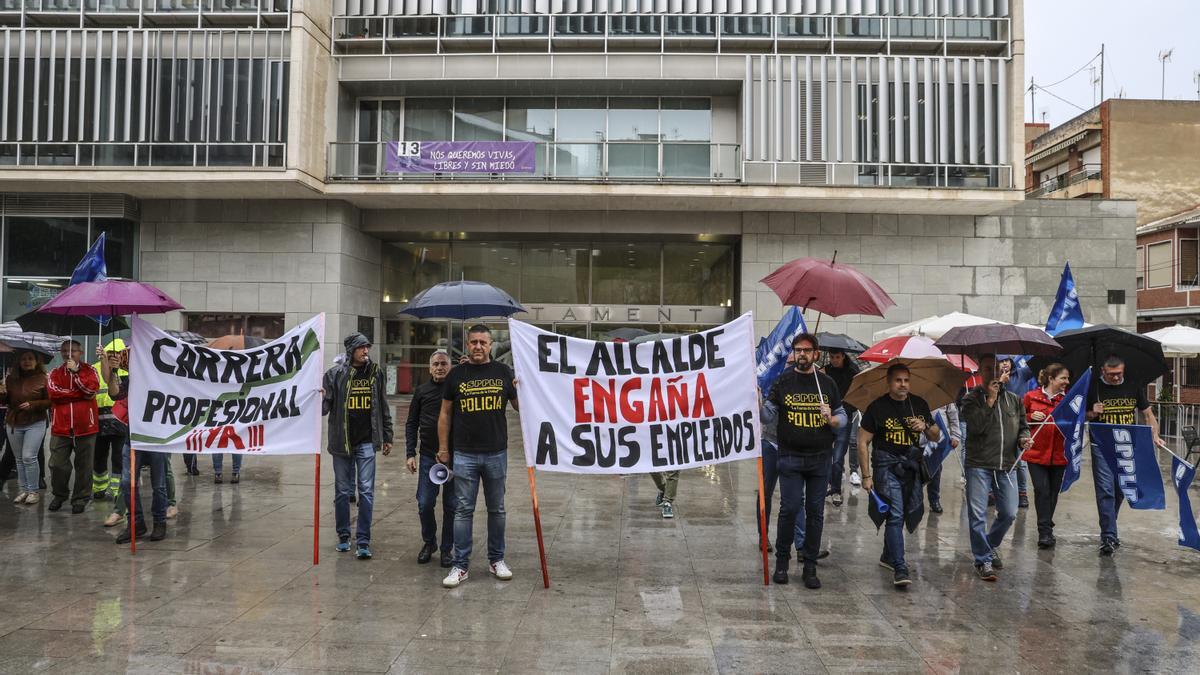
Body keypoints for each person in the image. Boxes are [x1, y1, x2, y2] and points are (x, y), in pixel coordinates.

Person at [439, 324, 518, 589]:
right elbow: (445, 414)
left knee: (497, 509)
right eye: (473, 342)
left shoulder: (503, 372)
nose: (478, 347)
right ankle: (460, 565)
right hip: (464, 454)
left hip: (497, 452)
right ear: (468, 344)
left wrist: (524, 387)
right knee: (463, 510)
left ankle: (497, 560)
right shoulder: (456, 374)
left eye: (483, 343)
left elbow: (520, 406)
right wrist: (443, 449)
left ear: (491, 345)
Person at [767, 333, 845, 589]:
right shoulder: (783, 381)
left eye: (806, 350)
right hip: (790, 457)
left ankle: (809, 565)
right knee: (789, 509)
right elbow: (767, 416)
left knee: (815, 514)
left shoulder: (827, 384)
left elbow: (842, 416)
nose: (801, 354)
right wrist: (756, 399)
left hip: (820, 460)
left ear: (815, 353)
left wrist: (832, 419)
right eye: (798, 350)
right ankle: (781, 562)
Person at [858, 363, 941, 589]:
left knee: (905, 512)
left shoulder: (919, 404)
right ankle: (900, 566)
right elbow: (862, 441)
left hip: (911, 466)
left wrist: (924, 426)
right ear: (889, 381)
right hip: (887, 467)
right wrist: (866, 475)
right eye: (898, 380)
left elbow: (936, 436)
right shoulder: (877, 408)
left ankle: (887, 555)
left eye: (906, 380)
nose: (903, 384)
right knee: (895, 515)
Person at [959, 354, 1032, 582]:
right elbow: (977, 427)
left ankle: (989, 545)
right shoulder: (971, 399)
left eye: (997, 369)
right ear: (980, 372)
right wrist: (990, 399)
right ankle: (983, 560)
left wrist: (1023, 439)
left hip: (1007, 465)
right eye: (988, 369)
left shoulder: (1014, 400)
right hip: (979, 464)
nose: (993, 373)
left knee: (1010, 513)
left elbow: (1023, 427)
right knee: (977, 515)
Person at [322, 332, 393, 560]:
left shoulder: (376, 373)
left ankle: (363, 540)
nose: (366, 352)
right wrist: (319, 396)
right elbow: (325, 408)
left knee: (367, 492)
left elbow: (383, 405)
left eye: (367, 348)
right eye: (361, 348)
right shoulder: (334, 375)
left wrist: (387, 435)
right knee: (342, 492)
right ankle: (344, 536)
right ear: (351, 350)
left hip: (366, 442)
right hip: (341, 442)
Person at [1086, 354, 1163, 556]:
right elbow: (1081, 416)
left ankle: (1109, 522)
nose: (1115, 378)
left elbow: (1148, 414)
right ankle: (1108, 537)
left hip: (1126, 445)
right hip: (1101, 445)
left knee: (1120, 491)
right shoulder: (1094, 387)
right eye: (1111, 374)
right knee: (1105, 490)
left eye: (1119, 373)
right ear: (1103, 371)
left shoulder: (1133, 385)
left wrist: (1154, 434)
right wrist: (1092, 412)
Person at [102, 345, 169, 544]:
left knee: (159, 485)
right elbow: (115, 393)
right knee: (127, 483)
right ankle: (136, 524)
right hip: (133, 439)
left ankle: (159, 521)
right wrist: (113, 370)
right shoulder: (132, 379)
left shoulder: (162, 378)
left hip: (157, 439)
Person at [406, 350, 455, 567]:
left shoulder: (456, 388)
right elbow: (411, 423)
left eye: (444, 363)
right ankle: (429, 542)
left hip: (454, 458)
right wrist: (410, 453)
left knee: (451, 506)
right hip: (427, 456)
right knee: (425, 503)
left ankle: (447, 549)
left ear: (450, 367)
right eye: (435, 364)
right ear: (429, 368)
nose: (440, 367)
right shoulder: (422, 391)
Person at [46, 339, 100, 514]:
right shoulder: (54, 373)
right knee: (57, 464)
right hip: (60, 428)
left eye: (72, 351)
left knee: (84, 466)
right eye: (64, 351)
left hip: (86, 426)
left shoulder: (90, 370)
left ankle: (81, 498)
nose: (68, 354)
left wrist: (76, 373)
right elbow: (54, 394)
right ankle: (60, 495)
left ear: (80, 352)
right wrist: (78, 394)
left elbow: (91, 391)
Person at [1023, 364, 1070, 549]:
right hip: (1036, 454)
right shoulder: (1031, 396)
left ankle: (1047, 523)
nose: (1067, 382)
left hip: (1059, 455)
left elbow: (1077, 421)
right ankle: (1044, 531)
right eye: (1063, 378)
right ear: (1051, 379)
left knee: (1052, 493)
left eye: (1067, 379)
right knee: (1041, 490)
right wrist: (1029, 414)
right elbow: (1019, 419)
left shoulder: (1068, 400)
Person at [1, 350, 50, 504]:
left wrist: (33, 404)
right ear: (18, 361)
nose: (26, 361)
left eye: (30, 358)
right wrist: (2, 393)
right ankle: (24, 490)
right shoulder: (10, 379)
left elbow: (51, 401)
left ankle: (33, 491)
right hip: (14, 422)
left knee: (29, 456)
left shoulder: (43, 378)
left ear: (37, 361)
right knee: (19, 459)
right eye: (23, 359)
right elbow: (6, 401)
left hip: (36, 421)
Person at [91, 340, 127, 502]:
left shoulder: (125, 369)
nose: (114, 355)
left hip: (120, 419)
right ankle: (99, 488)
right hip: (99, 419)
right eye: (110, 353)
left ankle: (117, 489)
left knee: (118, 457)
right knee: (99, 456)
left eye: (117, 353)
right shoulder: (94, 368)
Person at [824, 348, 860, 505]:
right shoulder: (826, 370)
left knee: (838, 457)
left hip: (844, 417)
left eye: (837, 357)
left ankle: (836, 490)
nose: (834, 360)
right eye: (831, 357)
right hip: (827, 418)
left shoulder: (852, 371)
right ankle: (829, 484)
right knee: (826, 455)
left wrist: (847, 410)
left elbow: (856, 394)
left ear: (843, 356)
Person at [997, 358, 1030, 508]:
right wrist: (1000, 382)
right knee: (998, 460)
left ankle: (1022, 493)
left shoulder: (1021, 374)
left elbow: (1036, 366)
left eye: (1007, 360)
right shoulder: (994, 379)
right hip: (998, 424)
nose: (1005, 363)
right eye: (1001, 361)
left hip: (1018, 423)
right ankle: (994, 492)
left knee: (1021, 462)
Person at [925, 402, 961, 514]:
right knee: (916, 472)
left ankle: (934, 499)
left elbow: (953, 416)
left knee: (935, 470)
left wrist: (955, 435)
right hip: (919, 440)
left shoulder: (943, 398)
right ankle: (914, 501)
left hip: (939, 441)